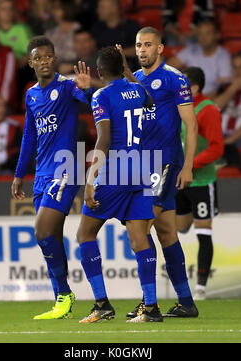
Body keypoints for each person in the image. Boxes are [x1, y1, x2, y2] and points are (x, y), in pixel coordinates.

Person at [76, 46, 163, 324]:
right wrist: (128, 71)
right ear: (123, 67)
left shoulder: (101, 95)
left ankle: (102, 304)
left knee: (85, 235)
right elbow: (150, 101)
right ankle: (150, 308)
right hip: (141, 171)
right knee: (140, 240)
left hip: (115, 174)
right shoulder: (137, 90)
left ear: (99, 72)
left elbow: (103, 140)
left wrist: (90, 181)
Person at [118, 26, 199, 318]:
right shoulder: (136, 79)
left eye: (148, 45)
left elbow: (191, 124)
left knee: (138, 228)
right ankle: (186, 303)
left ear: (160, 49)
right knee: (166, 232)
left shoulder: (174, 78)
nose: (142, 50)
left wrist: (187, 165)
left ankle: (148, 303)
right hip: (141, 165)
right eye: (138, 45)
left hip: (165, 162)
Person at [11, 36, 91, 320]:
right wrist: (20, 174)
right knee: (51, 236)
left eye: (48, 57)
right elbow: (30, 136)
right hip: (42, 174)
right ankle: (62, 299)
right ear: (30, 62)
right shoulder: (31, 94)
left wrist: (89, 89)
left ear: (54, 59)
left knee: (41, 231)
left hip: (66, 169)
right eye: (38, 58)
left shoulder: (68, 86)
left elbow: (94, 102)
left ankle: (64, 294)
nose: (44, 62)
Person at [176, 66, 224, 300]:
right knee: (174, 227)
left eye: (182, 85)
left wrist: (190, 164)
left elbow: (217, 147)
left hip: (201, 181)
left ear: (193, 88)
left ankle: (201, 287)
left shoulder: (208, 110)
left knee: (203, 232)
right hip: (179, 181)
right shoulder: (178, 108)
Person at [214, 53, 241, 172]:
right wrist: (233, 88)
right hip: (220, 133)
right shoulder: (225, 88)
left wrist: (228, 141)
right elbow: (214, 109)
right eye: (235, 67)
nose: (238, 71)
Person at [167, 19, 232, 98]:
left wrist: (198, 101)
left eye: (207, 33)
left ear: (217, 35)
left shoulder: (223, 55)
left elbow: (222, 90)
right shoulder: (191, 50)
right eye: (200, 34)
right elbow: (167, 67)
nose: (203, 38)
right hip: (187, 98)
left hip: (210, 102)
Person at [91, 0, 140, 71]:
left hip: (128, 69)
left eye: (101, 7)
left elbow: (139, 49)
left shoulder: (131, 26)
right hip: (101, 69)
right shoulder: (97, 28)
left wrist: (115, 53)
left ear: (114, 8)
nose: (98, 10)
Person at [45, 0, 81, 67]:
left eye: (57, 8)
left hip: (76, 68)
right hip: (55, 70)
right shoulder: (50, 33)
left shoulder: (78, 29)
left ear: (67, 9)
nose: (54, 12)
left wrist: (72, 66)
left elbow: (86, 55)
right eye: (53, 9)